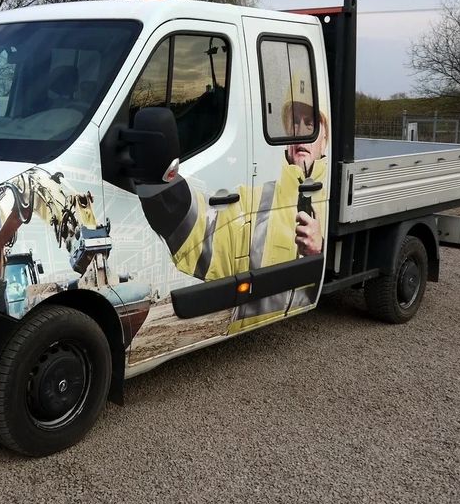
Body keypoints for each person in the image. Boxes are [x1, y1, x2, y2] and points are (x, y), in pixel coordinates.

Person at [136, 93, 329, 334]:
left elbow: (324, 281)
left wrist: (319, 250)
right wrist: (162, 189)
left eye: (310, 124)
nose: (300, 131)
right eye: (294, 124)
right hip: (253, 337)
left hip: (289, 339)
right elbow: (202, 232)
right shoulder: (254, 198)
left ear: (325, 140)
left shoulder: (332, 198)